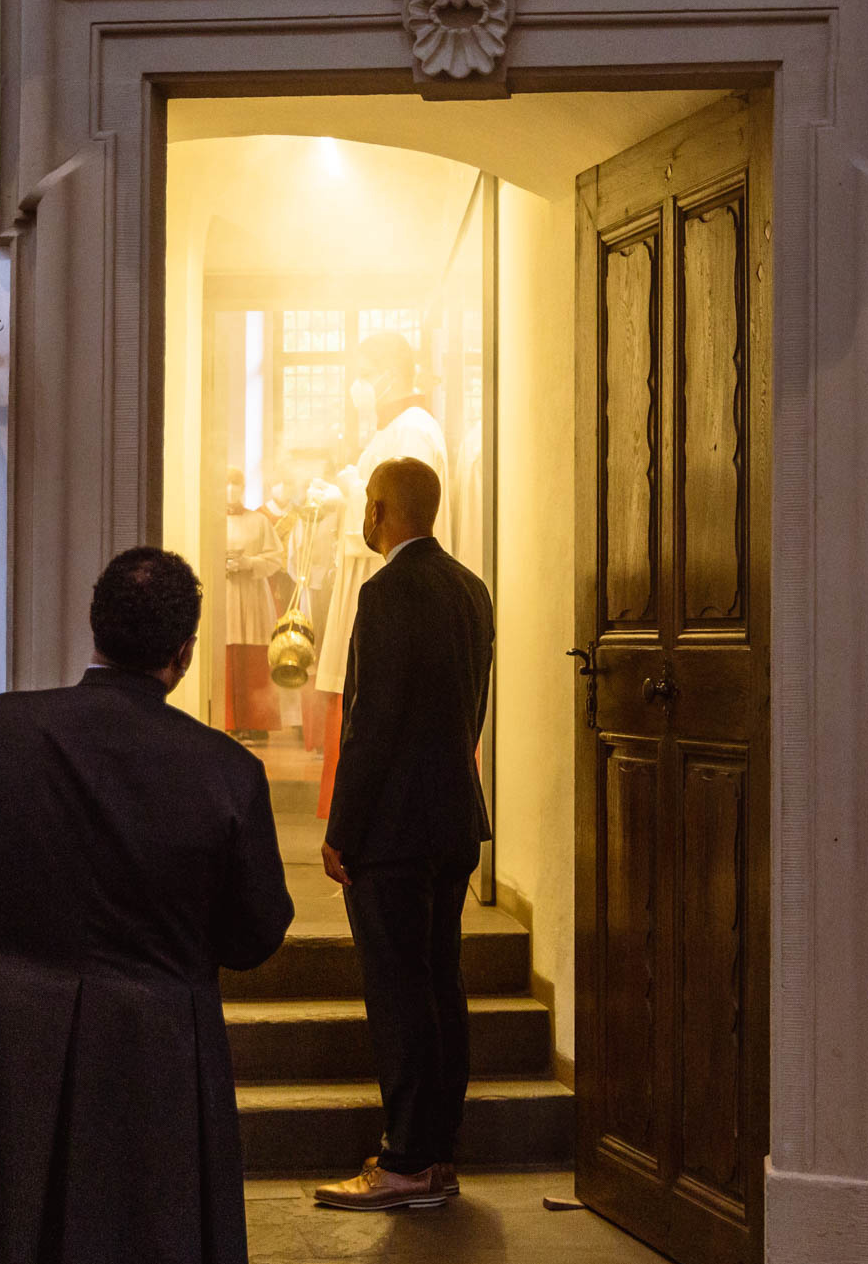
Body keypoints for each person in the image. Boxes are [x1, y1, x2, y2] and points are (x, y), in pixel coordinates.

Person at [0, 547, 294, 1264]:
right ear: (183, 653)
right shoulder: (227, 771)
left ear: (94, 628)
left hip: (9, 1030)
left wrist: (20, 923)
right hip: (155, 1048)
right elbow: (256, 932)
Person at [312, 457, 494, 1211]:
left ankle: (406, 1161)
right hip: (454, 819)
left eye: (367, 502)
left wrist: (341, 829)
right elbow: (471, 707)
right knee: (440, 984)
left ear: (383, 508)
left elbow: (370, 726)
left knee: (398, 993)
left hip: (390, 829)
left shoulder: (384, 592)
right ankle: (438, 1153)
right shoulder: (471, 589)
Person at [309, 333, 450, 814]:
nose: (358, 385)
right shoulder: (391, 430)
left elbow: (404, 514)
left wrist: (348, 488)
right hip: (372, 579)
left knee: (373, 703)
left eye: (364, 374)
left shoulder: (411, 431)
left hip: (390, 584)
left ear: (389, 373)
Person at [223, 468, 285, 743]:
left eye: (236, 485)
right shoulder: (211, 521)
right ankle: (230, 721)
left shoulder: (259, 521)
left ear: (243, 488)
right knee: (227, 654)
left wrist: (250, 564)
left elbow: (276, 558)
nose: (231, 490)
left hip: (252, 593)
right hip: (225, 594)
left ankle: (257, 721)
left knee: (252, 655)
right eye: (227, 485)